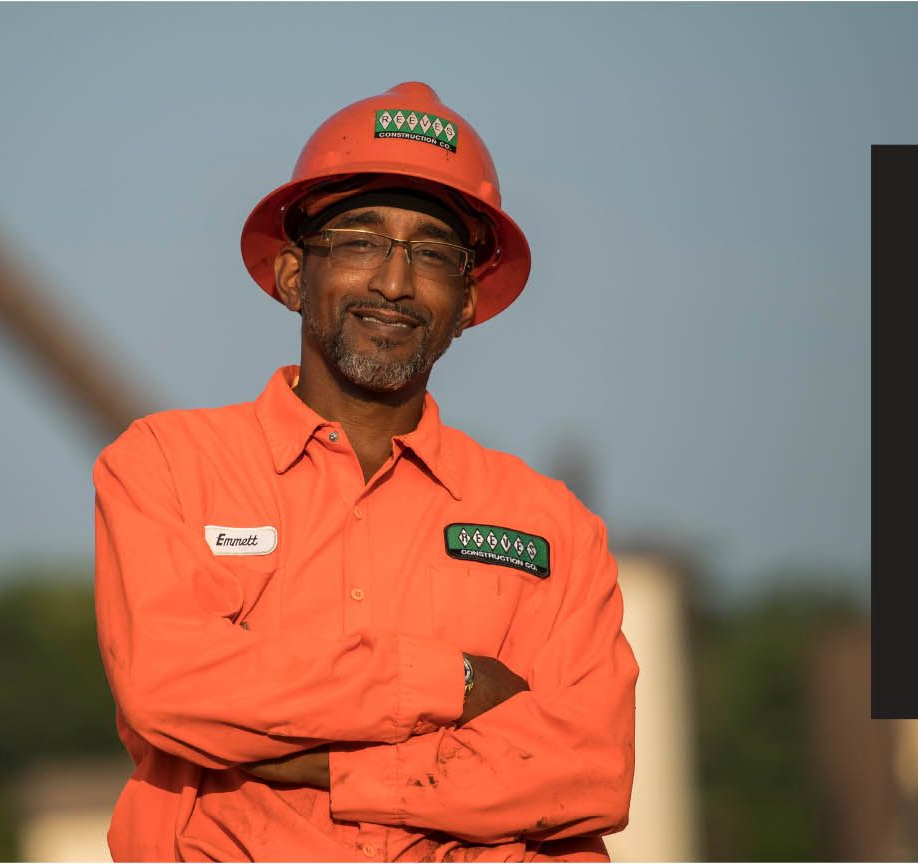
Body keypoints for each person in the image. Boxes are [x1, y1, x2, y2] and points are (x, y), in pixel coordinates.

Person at [92, 82, 637, 862]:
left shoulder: (552, 527)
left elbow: (586, 770)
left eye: (433, 253)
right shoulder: (167, 467)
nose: (393, 282)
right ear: (290, 276)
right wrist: (453, 684)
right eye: (358, 241)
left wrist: (325, 766)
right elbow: (171, 691)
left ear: (469, 301)